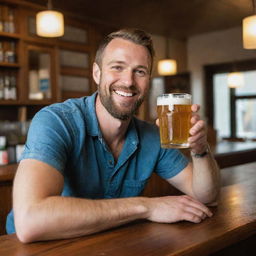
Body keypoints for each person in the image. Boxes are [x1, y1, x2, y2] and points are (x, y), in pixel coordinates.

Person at [6, 28, 220, 243]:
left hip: (104, 241)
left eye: (140, 71)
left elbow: (207, 196)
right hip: (39, 247)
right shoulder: (57, 121)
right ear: (97, 73)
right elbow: (29, 221)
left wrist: (200, 150)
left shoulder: (152, 136)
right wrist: (147, 206)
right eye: (117, 67)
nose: (128, 81)